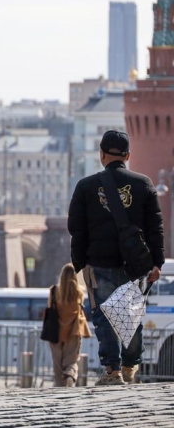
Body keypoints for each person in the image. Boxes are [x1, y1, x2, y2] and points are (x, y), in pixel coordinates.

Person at [68, 130, 164, 386]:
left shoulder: (86, 186)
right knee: (130, 314)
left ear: (101, 155)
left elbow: (76, 229)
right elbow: (156, 228)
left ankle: (112, 371)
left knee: (104, 317)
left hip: (98, 263)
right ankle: (130, 365)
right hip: (135, 265)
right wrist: (157, 263)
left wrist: (80, 263)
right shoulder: (143, 184)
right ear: (128, 156)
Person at [47, 263, 92, 387]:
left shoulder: (53, 291)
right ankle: (69, 375)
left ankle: (59, 386)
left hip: (56, 331)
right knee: (71, 361)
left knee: (57, 362)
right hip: (73, 330)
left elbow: (50, 308)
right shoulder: (80, 292)